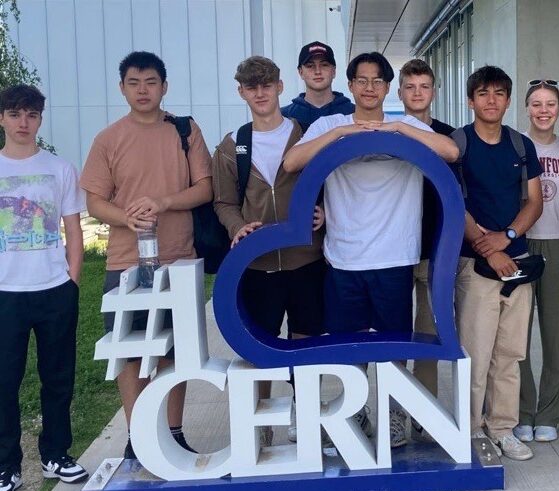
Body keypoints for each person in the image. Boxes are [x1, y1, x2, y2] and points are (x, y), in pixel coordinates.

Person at [283, 51, 458, 448]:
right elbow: (293, 162)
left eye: (377, 81)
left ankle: (395, 414)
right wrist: (345, 134)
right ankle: (356, 410)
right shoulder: (331, 123)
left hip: (395, 256)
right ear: (350, 85)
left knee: (395, 346)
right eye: (361, 80)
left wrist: (397, 128)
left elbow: (450, 152)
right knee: (350, 347)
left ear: (386, 87)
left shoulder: (405, 126)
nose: (368, 88)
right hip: (343, 256)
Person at [81, 51, 213, 460]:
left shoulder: (185, 131)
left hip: (179, 260)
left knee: (176, 351)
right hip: (125, 263)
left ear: (164, 87)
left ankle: (173, 432)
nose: (143, 90)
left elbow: (204, 189)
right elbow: (95, 201)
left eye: (151, 82)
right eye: (134, 83)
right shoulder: (108, 138)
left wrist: (163, 201)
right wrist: (127, 218)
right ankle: (139, 435)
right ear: (122, 88)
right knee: (131, 352)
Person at [212, 56, 325, 446]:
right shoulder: (233, 146)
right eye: (251, 86)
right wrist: (236, 226)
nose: (259, 93)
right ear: (241, 91)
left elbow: (330, 186)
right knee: (257, 345)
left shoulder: (309, 134)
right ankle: (258, 425)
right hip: (256, 266)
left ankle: (302, 414)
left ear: (279, 87)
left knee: (305, 341)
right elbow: (223, 202)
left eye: (266, 85)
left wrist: (323, 212)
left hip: (306, 260)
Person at [0, 85, 88, 491]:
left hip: (54, 289)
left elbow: (74, 229)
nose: (23, 122)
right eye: (15, 113)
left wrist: (72, 280)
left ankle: (56, 453)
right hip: (6, 293)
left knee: (58, 377)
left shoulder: (60, 169)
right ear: (2, 118)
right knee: (4, 381)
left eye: (31, 115)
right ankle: (6, 465)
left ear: (40, 119)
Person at [454, 65, 544, 460]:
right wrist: (489, 247)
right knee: (475, 353)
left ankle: (503, 428)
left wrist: (506, 239)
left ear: (508, 101)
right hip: (475, 266)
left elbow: (535, 201)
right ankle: (473, 429)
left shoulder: (522, 146)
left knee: (510, 354)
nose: (492, 101)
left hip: (518, 262)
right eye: (484, 93)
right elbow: (453, 203)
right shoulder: (457, 145)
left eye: (499, 94)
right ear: (471, 100)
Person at [517, 79, 559, 443]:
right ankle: (523, 411)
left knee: (556, 336)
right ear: (526, 108)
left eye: (551, 104)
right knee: (517, 337)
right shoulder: (516, 145)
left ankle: (549, 414)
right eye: (537, 104)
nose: (544, 110)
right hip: (523, 244)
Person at [397, 58, 455, 440]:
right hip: (396, 249)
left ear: (434, 91)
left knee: (428, 335)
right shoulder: (388, 137)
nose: (418, 93)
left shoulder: (449, 136)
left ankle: (425, 411)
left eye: (424, 86)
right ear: (400, 92)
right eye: (410, 87)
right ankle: (398, 414)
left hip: (436, 249)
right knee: (398, 336)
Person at [281, 41, 355, 132]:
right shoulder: (285, 117)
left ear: (334, 71)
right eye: (310, 66)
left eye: (324, 65)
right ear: (300, 72)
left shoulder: (353, 113)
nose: (317, 71)